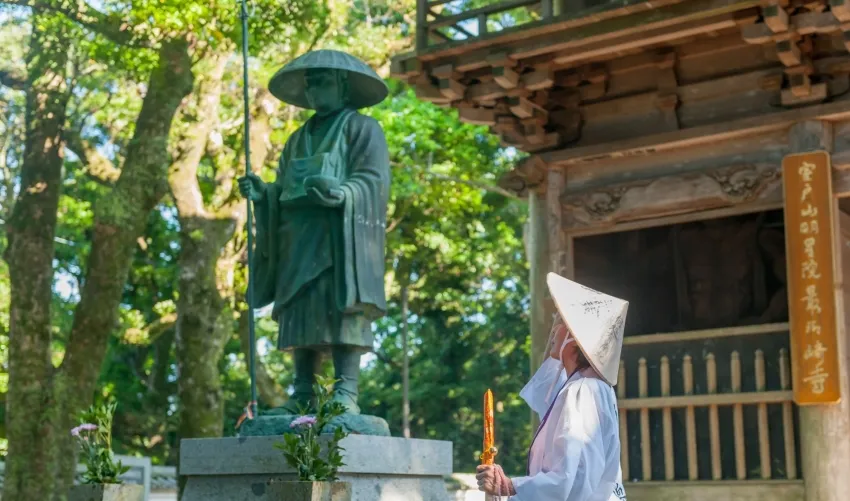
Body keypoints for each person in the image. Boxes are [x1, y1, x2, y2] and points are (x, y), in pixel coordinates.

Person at [237, 50, 391, 414]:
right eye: (309, 84)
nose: (313, 90)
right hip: (296, 235)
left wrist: (343, 193)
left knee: (341, 306)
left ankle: (346, 391)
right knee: (299, 308)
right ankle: (303, 391)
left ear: (343, 86)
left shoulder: (363, 128)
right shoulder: (296, 139)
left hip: (339, 234)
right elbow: (282, 187)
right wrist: (264, 195)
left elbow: (374, 180)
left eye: (321, 82)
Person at [477, 272, 629, 500]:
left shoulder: (584, 391)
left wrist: (508, 486)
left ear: (577, 338)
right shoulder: (593, 388)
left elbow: (572, 478)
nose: (554, 330)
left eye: (561, 323)